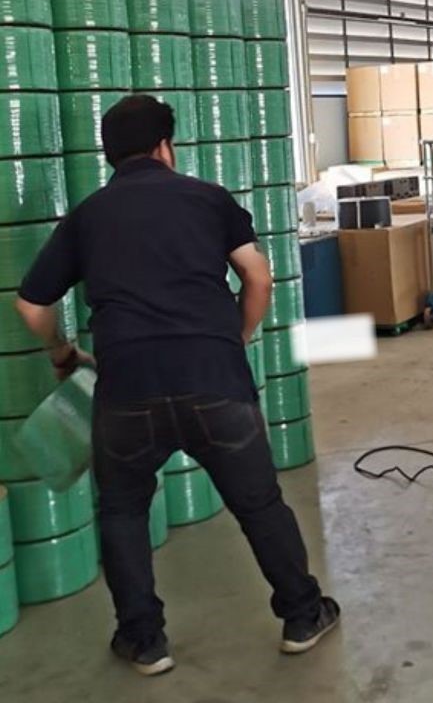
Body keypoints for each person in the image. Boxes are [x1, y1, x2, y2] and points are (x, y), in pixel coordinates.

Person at [15, 95, 338, 675]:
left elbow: (31, 306)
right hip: (213, 380)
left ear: (110, 156)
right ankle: (302, 615)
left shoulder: (87, 216)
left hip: (126, 390)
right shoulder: (208, 199)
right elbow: (257, 276)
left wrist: (63, 354)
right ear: (165, 147)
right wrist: (236, 337)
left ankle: (144, 641)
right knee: (259, 503)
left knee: (122, 512)